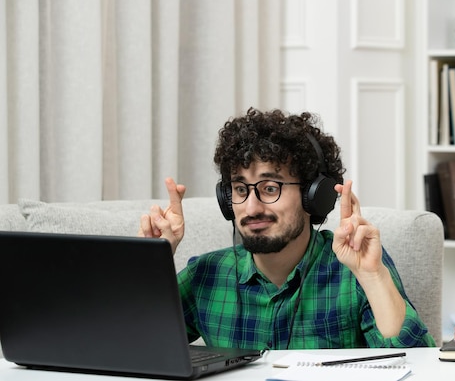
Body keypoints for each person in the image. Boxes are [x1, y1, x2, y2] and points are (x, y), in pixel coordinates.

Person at [139, 108, 435, 350]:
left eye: (270, 188)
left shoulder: (355, 270)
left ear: (313, 196)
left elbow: (418, 365)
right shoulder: (205, 275)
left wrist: (372, 276)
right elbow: (137, 345)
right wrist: (151, 262)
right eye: (240, 189)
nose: (252, 208)